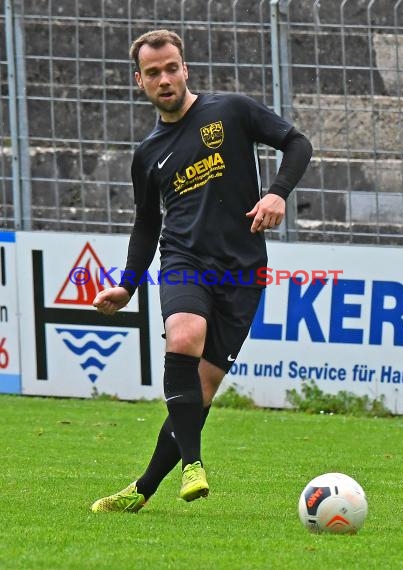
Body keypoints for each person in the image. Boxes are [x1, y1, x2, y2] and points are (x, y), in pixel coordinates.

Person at [91, 29, 312, 513]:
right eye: (154, 73)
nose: (165, 78)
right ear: (140, 82)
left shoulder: (231, 110)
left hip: (241, 271)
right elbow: (147, 224)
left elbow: (297, 144)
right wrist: (127, 285)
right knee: (184, 334)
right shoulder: (148, 154)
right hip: (183, 261)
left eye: (172, 68)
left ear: (185, 69)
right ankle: (194, 463)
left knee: (201, 391)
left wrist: (277, 192)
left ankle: (142, 490)